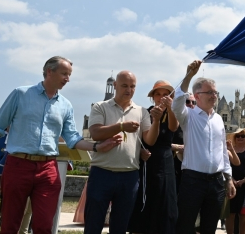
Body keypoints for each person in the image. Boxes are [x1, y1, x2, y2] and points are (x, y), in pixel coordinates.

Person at [0, 56, 121, 234]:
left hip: (48, 169)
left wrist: (97, 147)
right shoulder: (20, 94)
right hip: (18, 165)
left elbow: (73, 138)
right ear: (49, 72)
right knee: (10, 224)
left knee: (44, 226)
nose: (68, 79)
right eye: (64, 74)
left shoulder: (66, 105)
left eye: (69, 75)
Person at [85, 70, 163, 234]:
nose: (129, 90)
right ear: (115, 86)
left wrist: (156, 121)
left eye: (133, 86)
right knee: (93, 224)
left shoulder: (142, 111)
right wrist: (121, 127)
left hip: (129, 176)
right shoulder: (101, 106)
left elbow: (149, 140)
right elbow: (95, 133)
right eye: (124, 86)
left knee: (120, 227)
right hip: (102, 173)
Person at [171, 60, 236, 234]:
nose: (214, 95)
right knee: (185, 226)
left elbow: (223, 151)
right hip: (193, 181)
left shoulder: (219, 119)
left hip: (216, 182)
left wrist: (228, 178)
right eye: (210, 92)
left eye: (215, 92)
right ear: (197, 95)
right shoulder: (188, 116)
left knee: (209, 227)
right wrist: (188, 76)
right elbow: (176, 102)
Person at [128, 80, 180, 234]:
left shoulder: (172, 113)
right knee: (147, 198)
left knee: (166, 200)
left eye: (165, 94)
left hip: (166, 161)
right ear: (153, 97)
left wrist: (170, 109)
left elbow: (173, 127)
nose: (161, 97)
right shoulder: (146, 113)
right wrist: (156, 119)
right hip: (148, 160)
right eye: (158, 94)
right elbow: (149, 140)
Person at [226, 127, 245, 234]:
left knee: (244, 213)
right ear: (234, 138)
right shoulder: (228, 150)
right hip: (230, 183)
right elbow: (225, 165)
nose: (240, 138)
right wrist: (231, 179)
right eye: (238, 136)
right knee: (231, 213)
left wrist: (244, 180)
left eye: (243, 136)